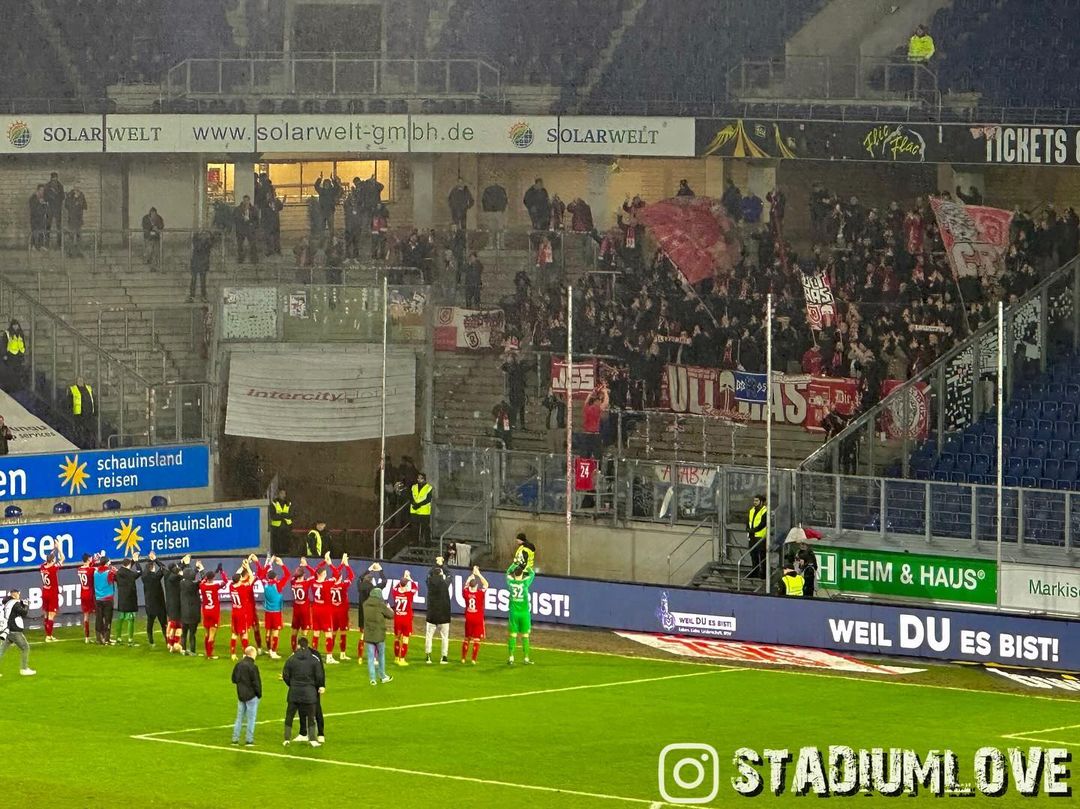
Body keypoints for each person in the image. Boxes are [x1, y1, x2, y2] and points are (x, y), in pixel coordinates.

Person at [282, 637, 324, 747]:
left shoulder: (292, 658)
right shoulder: (314, 659)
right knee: (311, 716)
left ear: (298, 645)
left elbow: (285, 674)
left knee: (289, 715)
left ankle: (287, 739)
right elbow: (319, 675)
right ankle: (313, 740)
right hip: (309, 693)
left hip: (294, 692)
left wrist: (291, 684)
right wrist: (318, 686)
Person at [322, 553, 354, 662]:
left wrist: (341, 564)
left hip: (333, 611)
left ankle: (330, 653)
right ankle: (342, 654)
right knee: (343, 633)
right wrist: (347, 565)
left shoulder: (329, 584)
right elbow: (351, 576)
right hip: (342, 612)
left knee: (333, 633)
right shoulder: (344, 585)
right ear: (340, 578)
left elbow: (336, 573)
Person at [362, 580, 394, 685]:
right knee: (381, 656)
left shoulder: (365, 604)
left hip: (368, 635)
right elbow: (391, 615)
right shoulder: (381, 605)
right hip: (379, 634)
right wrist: (388, 608)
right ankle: (382, 675)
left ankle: (372, 679)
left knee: (371, 658)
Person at [258, 555, 290, 659]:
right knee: (275, 632)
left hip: (268, 611)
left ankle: (268, 649)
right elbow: (288, 575)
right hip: (276, 612)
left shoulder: (265, 584)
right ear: (275, 577)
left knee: (268, 631)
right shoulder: (278, 585)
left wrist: (269, 562)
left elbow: (261, 574)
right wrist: (282, 564)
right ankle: (273, 651)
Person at [231, 645, 262, 746]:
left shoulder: (238, 665)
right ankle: (249, 740)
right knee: (251, 719)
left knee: (239, 718)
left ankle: (235, 739)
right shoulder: (253, 667)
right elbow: (256, 682)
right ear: (252, 654)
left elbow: (234, 679)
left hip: (241, 695)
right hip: (251, 696)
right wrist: (259, 694)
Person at [196, 560, 227, 659]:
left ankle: (207, 652)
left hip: (205, 611)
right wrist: (221, 571)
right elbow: (225, 581)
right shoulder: (215, 586)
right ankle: (210, 655)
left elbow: (204, 579)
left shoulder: (202, 586)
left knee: (207, 632)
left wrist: (212, 572)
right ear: (213, 578)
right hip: (214, 611)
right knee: (212, 634)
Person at [0, 588, 35, 676]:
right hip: (14, 631)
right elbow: (24, 613)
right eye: (18, 594)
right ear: (15, 594)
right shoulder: (14, 603)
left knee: (1, 650)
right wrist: (26, 605)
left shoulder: (7, 602)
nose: (19, 596)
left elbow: (15, 611)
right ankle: (24, 669)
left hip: (7, 629)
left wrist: (22, 604)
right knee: (25, 647)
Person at [506, 561, 535, 665]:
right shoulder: (525, 583)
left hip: (514, 613)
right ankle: (526, 658)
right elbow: (532, 573)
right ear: (522, 573)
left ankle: (511, 657)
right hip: (524, 614)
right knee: (525, 636)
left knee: (512, 635)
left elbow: (508, 572)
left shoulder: (510, 583)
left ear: (514, 573)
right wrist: (526, 565)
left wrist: (514, 563)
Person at [226, 561, 255, 661]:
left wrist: (242, 566)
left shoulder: (231, 586)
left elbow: (237, 575)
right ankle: (245, 654)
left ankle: (233, 654)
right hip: (242, 613)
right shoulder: (243, 588)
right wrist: (247, 567)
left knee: (234, 634)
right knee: (244, 634)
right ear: (239, 580)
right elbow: (252, 578)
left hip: (234, 612)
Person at [424, 557, 452, 665]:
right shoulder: (445, 583)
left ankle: (428, 656)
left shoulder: (429, 583)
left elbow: (428, 575)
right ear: (441, 574)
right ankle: (444, 657)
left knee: (429, 636)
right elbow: (450, 574)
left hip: (432, 614)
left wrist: (436, 564)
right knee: (445, 637)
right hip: (444, 615)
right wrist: (441, 565)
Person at [355, 562, 384, 662]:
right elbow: (384, 581)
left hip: (362, 615)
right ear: (371, 581)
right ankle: (374, 658)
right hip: (371, 615)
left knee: (362, 636)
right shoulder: (373, 588)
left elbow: (359, 578)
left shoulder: (359, 586)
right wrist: (380, 570)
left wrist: (369, 569)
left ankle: (359, 658)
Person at [391, 570, 419, 666]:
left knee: (396, 638)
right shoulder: (409, 594)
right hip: (406, 620)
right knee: (405, 639)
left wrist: (403, 579)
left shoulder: (395, 592)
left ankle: (396, 658)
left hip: (397, 619)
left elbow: (396, 587)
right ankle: (402, 659)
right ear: (406, 585)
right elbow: (415, 587)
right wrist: (409, 578)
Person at [461, 566, 489, 664]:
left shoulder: (466, 592)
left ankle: (463, 658)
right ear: (476, 586)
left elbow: (465, 586)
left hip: (469, 618)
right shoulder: (480, 593)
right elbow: (486, 584)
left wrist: (470, 576)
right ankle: (473, 660)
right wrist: (478, 574)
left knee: (467, 638)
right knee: (476, 640)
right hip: (477, 618)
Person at [115, 555, 143, 647]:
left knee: (121, 618)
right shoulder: (130, 574)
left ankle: (118, 638)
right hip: (130, 599)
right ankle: (130, 641)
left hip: (121, 599)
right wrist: (137, 562)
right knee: (131, 619)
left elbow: (128, 567)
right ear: (129, 565)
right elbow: (140, 572)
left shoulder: (118, 573)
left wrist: (133, 561)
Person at [141, 552, 168, 646]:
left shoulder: (144, 577)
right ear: (152, 568)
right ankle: (167, 640)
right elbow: (164, 568)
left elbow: (145, 570)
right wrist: (155, 559)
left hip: (149, 604)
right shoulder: (156, 577)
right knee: (164, 624)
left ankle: (151, 640)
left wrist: (151, 560)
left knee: (150, 623)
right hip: (159, 604)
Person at [38, 550, 64, 643]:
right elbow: (63, 558)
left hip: (45, 592)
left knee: (46, 614)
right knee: (51, 615)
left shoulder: (42, 567)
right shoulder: (53, 568)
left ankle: (48, 634)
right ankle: (48, 636)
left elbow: (46, 562)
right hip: (52, 594)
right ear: (52, 560)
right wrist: (59, 548)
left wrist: (53, 551)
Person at [289, 558, 313, 652]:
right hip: (304, 608)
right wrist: (306, 565)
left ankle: (293, 650)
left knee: (294, 630)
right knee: (305, 631)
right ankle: (303, 649)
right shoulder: (306, 583)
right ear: (303, 575)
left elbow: (293, 577)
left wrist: (300, 568)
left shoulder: (293, 582)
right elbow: (315, 574)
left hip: (296, 608)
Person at [93, 556, 118, 645]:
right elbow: (116, 580)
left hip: (98, 599)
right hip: (108, 599)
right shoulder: (109, 572)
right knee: (108, 619)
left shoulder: (95, 572)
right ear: (107, 563)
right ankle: (107, 639)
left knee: (99, 618)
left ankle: (98, 638)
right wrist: (116, 572)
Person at [179, 562, 202, 656]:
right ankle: (192, 651)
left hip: (184, 613)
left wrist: (196, 568)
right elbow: (204, 578)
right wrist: (201, 569)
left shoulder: (181, 583)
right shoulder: (194, 585)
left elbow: (189, 575)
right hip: (193, 614)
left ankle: (183, 650)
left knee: (184, 634)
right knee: (192, 634)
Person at [501, 352, 528, 430]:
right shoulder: (512, 367)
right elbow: (504, 367)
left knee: (519, 408)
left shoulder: (517, 367)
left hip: (518, 389)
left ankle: (519, 425)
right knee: (514, 408)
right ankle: (514, 424)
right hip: (514, 390)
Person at [188, 229, 216, 303]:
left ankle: (200, 296)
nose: (204, 235)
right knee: (194, 280)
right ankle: (193, 296)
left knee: (201, 281)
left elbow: (212, 240)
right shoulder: (199, 242)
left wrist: (209, 234)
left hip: (201, 263)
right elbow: (196, 242)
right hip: (197, 263)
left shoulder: (207, 243)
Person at [68, 374, 95, 447]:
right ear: (76, 381)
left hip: (88, 414)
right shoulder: (73, 389)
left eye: (81, 380)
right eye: (79, 380)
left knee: (88, 431)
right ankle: (80, 443)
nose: (80, 382)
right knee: (79, 431)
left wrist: (95, 411)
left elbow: (93, 399)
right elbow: (69, 402)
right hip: (78, 414)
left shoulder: (89, 388)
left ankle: (89, 444)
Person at [76, 552, 97, 643]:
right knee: (97, 614)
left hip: (83, 594)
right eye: (91, 558)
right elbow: (95, 569)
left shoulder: (79, 569)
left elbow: (89, 566)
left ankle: (87, 637)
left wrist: (94, 560)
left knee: (86, 615)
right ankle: (100, 634)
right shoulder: (91, 570)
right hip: (90, 594)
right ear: (88, 559)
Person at [480, 179, 508, 246]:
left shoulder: (489, 190)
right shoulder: (500, 190)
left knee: (495, 229)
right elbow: (505, 200)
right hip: (495, 212)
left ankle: (495, 244)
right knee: (494, 229)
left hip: (494, 212)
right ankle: (498, 244)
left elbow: (484, 200)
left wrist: (487, 209)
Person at [747, 494, 768, 579]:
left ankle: (763, 573)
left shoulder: (765, 510)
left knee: (762, 555)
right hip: (752, 536)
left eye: (757, 501)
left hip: (760, 536)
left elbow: (763, 523)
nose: (755, 502)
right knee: (753, 554)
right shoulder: (752, 510)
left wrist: (754, 530)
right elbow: (748, 521)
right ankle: (754, 572)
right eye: (754, 501)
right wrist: (748, 529)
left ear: (761, 502)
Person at [234, 195, 259, 264]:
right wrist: (242, 219)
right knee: (240, 245)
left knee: (253, 244)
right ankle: (240, 259)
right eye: (244, 200)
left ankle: (254, 259)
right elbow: (235, 218)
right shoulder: (238, 209)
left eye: (247, 200)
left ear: (249, 201)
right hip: (241, 229)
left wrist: (252, 224)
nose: (246, 202)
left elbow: (256, 220)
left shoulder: (253, 209)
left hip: (250, 229)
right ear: (243, 201)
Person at [410, 472, 433, 545]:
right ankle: (415, 541)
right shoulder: (414, 487)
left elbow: (428, 499)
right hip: (414, 510)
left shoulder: (429, 488)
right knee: (414, 528)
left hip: (424, 511)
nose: (419, 480)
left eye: (421, 478)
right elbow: (410, 496)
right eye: (418, 478)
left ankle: (427, 542)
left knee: (426, 527)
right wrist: (413, 503)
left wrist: (418, 505)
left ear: (424, 479)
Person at [63, 186, 87, 257]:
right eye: (75, 188)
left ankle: (79, 252)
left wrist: (80, 201)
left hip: (79, 220)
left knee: (79, 236)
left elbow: (85, 206)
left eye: (78, 189)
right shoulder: (70, 196)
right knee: (71, 236)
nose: (77, 190)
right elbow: (66, 206)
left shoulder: (81, 196)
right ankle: (70, 252)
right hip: (72, 219)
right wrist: (74, 201)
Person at [269, 488, 293, 555]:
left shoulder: (289, 504)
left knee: (286, 545)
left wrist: (280, 515)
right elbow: (273, 516)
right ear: (278, 494)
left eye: (284, 493)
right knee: (277, 546)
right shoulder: (274, 503)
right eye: (281, 493)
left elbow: (291, 515)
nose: (282, 495)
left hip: (287, 527)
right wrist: (284, 515)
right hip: (276, 528)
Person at [3, 319, 27, 387]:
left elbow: (23, 342)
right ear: (12, 326)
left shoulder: (20, 333)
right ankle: (12, 385)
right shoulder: (7, 333)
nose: (16, 327)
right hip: (11, 354)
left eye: (17, 325)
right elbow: (4, 344)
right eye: (14, 325)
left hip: (19, 354)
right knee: (11, 371)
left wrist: (24, 350)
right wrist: (4, 354)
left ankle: (18, 385)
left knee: (19, 371)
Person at [44, 172, 64, 248]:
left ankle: (59, 245)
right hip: (50, 209)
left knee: (59, 226)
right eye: (53, 179)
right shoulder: (47, 186)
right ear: (51, 178)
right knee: (48, 226)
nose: (54, 180)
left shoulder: (60, 186)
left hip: (58, 209)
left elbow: (63, 197)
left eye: (56, 179)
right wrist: (50, 198)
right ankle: (46, 244)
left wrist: (57, 199)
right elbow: (45, 197)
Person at [29, 185, 49, 250]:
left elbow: (46, 208)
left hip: (41, 218)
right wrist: (39, 202)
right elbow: (33, 208)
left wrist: (45, 205)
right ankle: (33, 246)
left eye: (43, 190)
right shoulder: (33, 198)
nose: (42, 192)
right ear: (38, 190)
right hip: (34, 218)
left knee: (41, 231)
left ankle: (41, 246)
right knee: (34, 232)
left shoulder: (43, 198)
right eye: (41, 190)